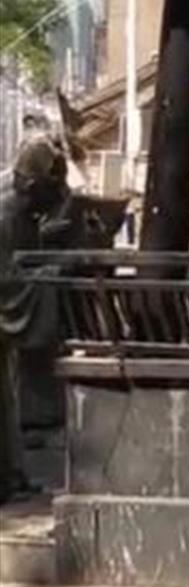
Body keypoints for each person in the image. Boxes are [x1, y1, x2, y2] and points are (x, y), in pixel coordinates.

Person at [0, 134, 69, 501]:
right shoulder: (6, 217)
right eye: (51, 184)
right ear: (30, 184)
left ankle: (10, 477)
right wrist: (52, 273)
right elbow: (8, 281)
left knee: (7, 402)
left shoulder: (26, 217)